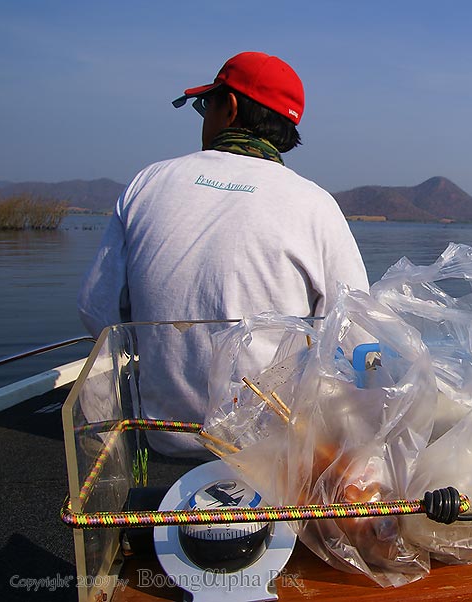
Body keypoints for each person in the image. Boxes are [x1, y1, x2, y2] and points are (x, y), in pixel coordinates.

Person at [78, 51, 369, 455]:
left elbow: (97, 309)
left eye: (204, 105)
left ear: (229, 107)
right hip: (271, 455)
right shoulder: (315, 205)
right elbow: (356, 334)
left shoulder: (149, 183)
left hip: (164, 439)